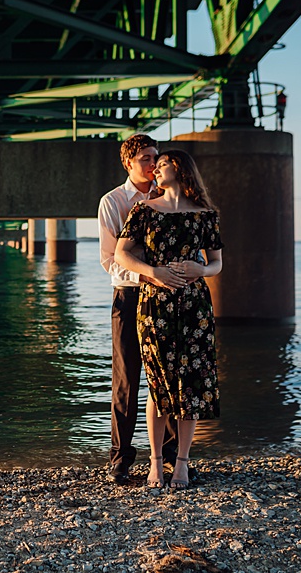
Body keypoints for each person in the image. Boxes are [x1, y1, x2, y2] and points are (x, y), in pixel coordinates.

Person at [114, 149, 223, 490]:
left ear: (178, 167)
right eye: (154, 164)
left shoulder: (206, 214)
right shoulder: (144, 210)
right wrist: (154, 272)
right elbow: (121, 253)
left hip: (194, 305)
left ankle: (183, 464)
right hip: (154, 304)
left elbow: (217, 262)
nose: (155, 170)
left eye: (161, 164)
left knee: (190, 385)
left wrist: (201, 269)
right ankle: (156, 464)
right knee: (158, 385)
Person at [97, 133, 179, 485]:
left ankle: (173, 457)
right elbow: (108, 261)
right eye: (146, 157)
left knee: (170, 377)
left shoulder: (170, 196)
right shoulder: (113, 201)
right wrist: (150, 273)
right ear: (128, 162)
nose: (153, 163)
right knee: (127, 380)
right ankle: (120, 459)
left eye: (156, 157)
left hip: (166, 298)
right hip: (129, 296)